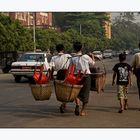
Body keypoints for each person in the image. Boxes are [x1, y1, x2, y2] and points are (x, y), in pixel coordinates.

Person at [71, 41, 95, 116]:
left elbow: (71, 68)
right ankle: (82, 111)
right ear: (81, 48)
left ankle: (77, 104)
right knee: (86, 93)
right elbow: (93, 64)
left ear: (74, 49)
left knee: (77, 92)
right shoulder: (86, 57)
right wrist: (93, 56)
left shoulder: (73, 58)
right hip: (86, 76)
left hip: (76, 76)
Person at [49, 44, 71, 113]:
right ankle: (65, 104)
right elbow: (72, 66)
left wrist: (51, 76)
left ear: (56, 50)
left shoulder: (54, 58)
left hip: (59, 75)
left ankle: (63, 104)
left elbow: (51, 68)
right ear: (63, 49)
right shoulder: (68, 56)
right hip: (67, 75)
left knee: (61, 91)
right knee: (69, 90)